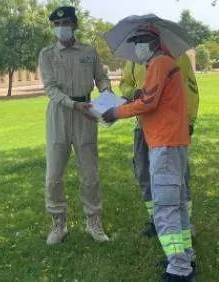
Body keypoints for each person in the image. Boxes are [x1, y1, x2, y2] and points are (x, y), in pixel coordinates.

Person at [103, 28, 195, 281]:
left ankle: (179, 269)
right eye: (134, 42)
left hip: (164, 144)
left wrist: (115, 113)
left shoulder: (159, 63)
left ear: (154, 42)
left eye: (139, 42)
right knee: (176, 206)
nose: (136, 47)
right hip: (172, 141)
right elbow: (152, 97)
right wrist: (137, 97)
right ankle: (185, 256)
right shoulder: (165, 63)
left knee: (165, 208)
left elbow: (148, 103)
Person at [39, 6, 111, 245]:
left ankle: (93, 221)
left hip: (86, 114)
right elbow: (50, 88)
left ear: (75, 25)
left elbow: (100, 77)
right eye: (57, 25)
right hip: (59, 114)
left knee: (89, 173)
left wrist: (106, 93)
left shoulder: (89, 52)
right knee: (53, 175)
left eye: (66, 23)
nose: (61, 28)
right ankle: (58, 224)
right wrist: (72, 104)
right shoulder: (47, 54)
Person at [119, 49, 199, 237]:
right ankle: (156, 219)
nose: (140, 44)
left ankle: (184, 222)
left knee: (177, 176)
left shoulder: (176, 56)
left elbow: (190, 88)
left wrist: (189, 120)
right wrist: (133, 92)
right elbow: (124, 84)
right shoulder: (134, 59)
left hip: (170, 127)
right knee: (144, 172)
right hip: (143, 123)